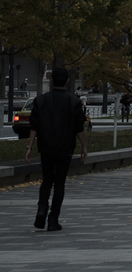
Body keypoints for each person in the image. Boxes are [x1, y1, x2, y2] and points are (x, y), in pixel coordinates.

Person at [25, 67, 88, 231]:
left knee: (46, 180)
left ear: (52, 80)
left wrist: (30, 147)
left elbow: (34, 126)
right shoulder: (74, 102)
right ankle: (53, 219)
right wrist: (84, 146)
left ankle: (41, 208)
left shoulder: (41, 100)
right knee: (59, 183)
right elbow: (79, 127)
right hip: (65, 146)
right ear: (67, 82)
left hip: (45, 145)